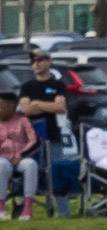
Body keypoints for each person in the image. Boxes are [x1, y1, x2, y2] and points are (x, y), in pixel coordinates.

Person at [17, 50, 71, 217]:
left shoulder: (58, 85)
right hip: (30, 138)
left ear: (49, 61)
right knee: (30, 169)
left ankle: (63, 212)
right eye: (33, 61)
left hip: (53, 134)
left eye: (40, 60)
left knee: (57, 171)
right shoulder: (27, 86)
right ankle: (25, 206)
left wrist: (37, 104)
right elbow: (26, 109)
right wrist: (47, 106)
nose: (36, 63)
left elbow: (60, 108)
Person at [0, 91, 38, 221]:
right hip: (3, 159)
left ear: (12, 106)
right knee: (1, 164)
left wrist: (21, 155)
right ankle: (1, 208)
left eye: (2, 106)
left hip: (21, 158)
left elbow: (35, 141)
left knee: (31, 165)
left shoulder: (23, 120)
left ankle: (27, 208)